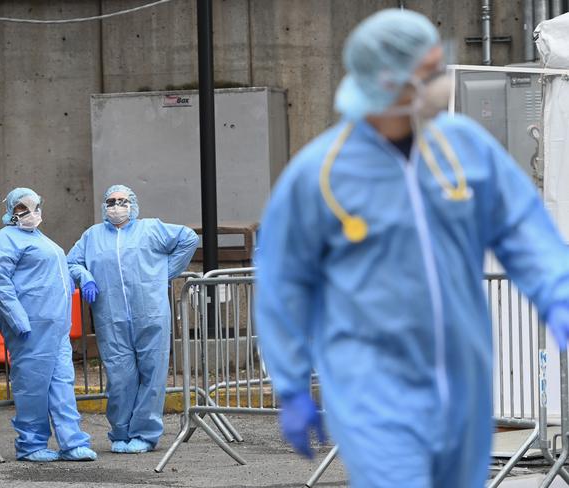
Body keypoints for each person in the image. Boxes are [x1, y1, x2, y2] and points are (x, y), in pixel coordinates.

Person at [254, 9, 569, 488]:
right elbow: (282, 282)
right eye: (431, 73)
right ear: (390, 82)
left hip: (463, 380)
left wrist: (559, 297)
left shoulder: (465, 150)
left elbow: (527, 234)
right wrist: (291, 381)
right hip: (371, 384)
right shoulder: (319, 175)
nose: (443, 83)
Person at [67, 184, 199, 454]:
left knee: (152, 375)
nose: (117, 206)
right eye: (111, 201)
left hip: (150, 312)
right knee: (120, 377)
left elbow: (188, 238)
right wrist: (85, 276)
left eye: (122, 201)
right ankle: (120, 432)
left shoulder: (150, 229)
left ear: (133, 204)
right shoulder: (92, 236)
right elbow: (71, 262)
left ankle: (145, 434)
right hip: (110, 317)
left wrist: (166, 272)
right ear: (104, 207)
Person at [0, 188, 97, 462]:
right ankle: (31, 444)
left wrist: (82, 275)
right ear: (11, 211)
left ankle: (72, 443)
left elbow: (58, 269)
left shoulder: (41, 239)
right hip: (31, 326)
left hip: (56, 326)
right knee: (33, 387)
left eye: (34, 206)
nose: (30, 212)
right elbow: (1, 283)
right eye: (22, 207)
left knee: (61, 384)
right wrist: (18, 320)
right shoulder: (4, 240)